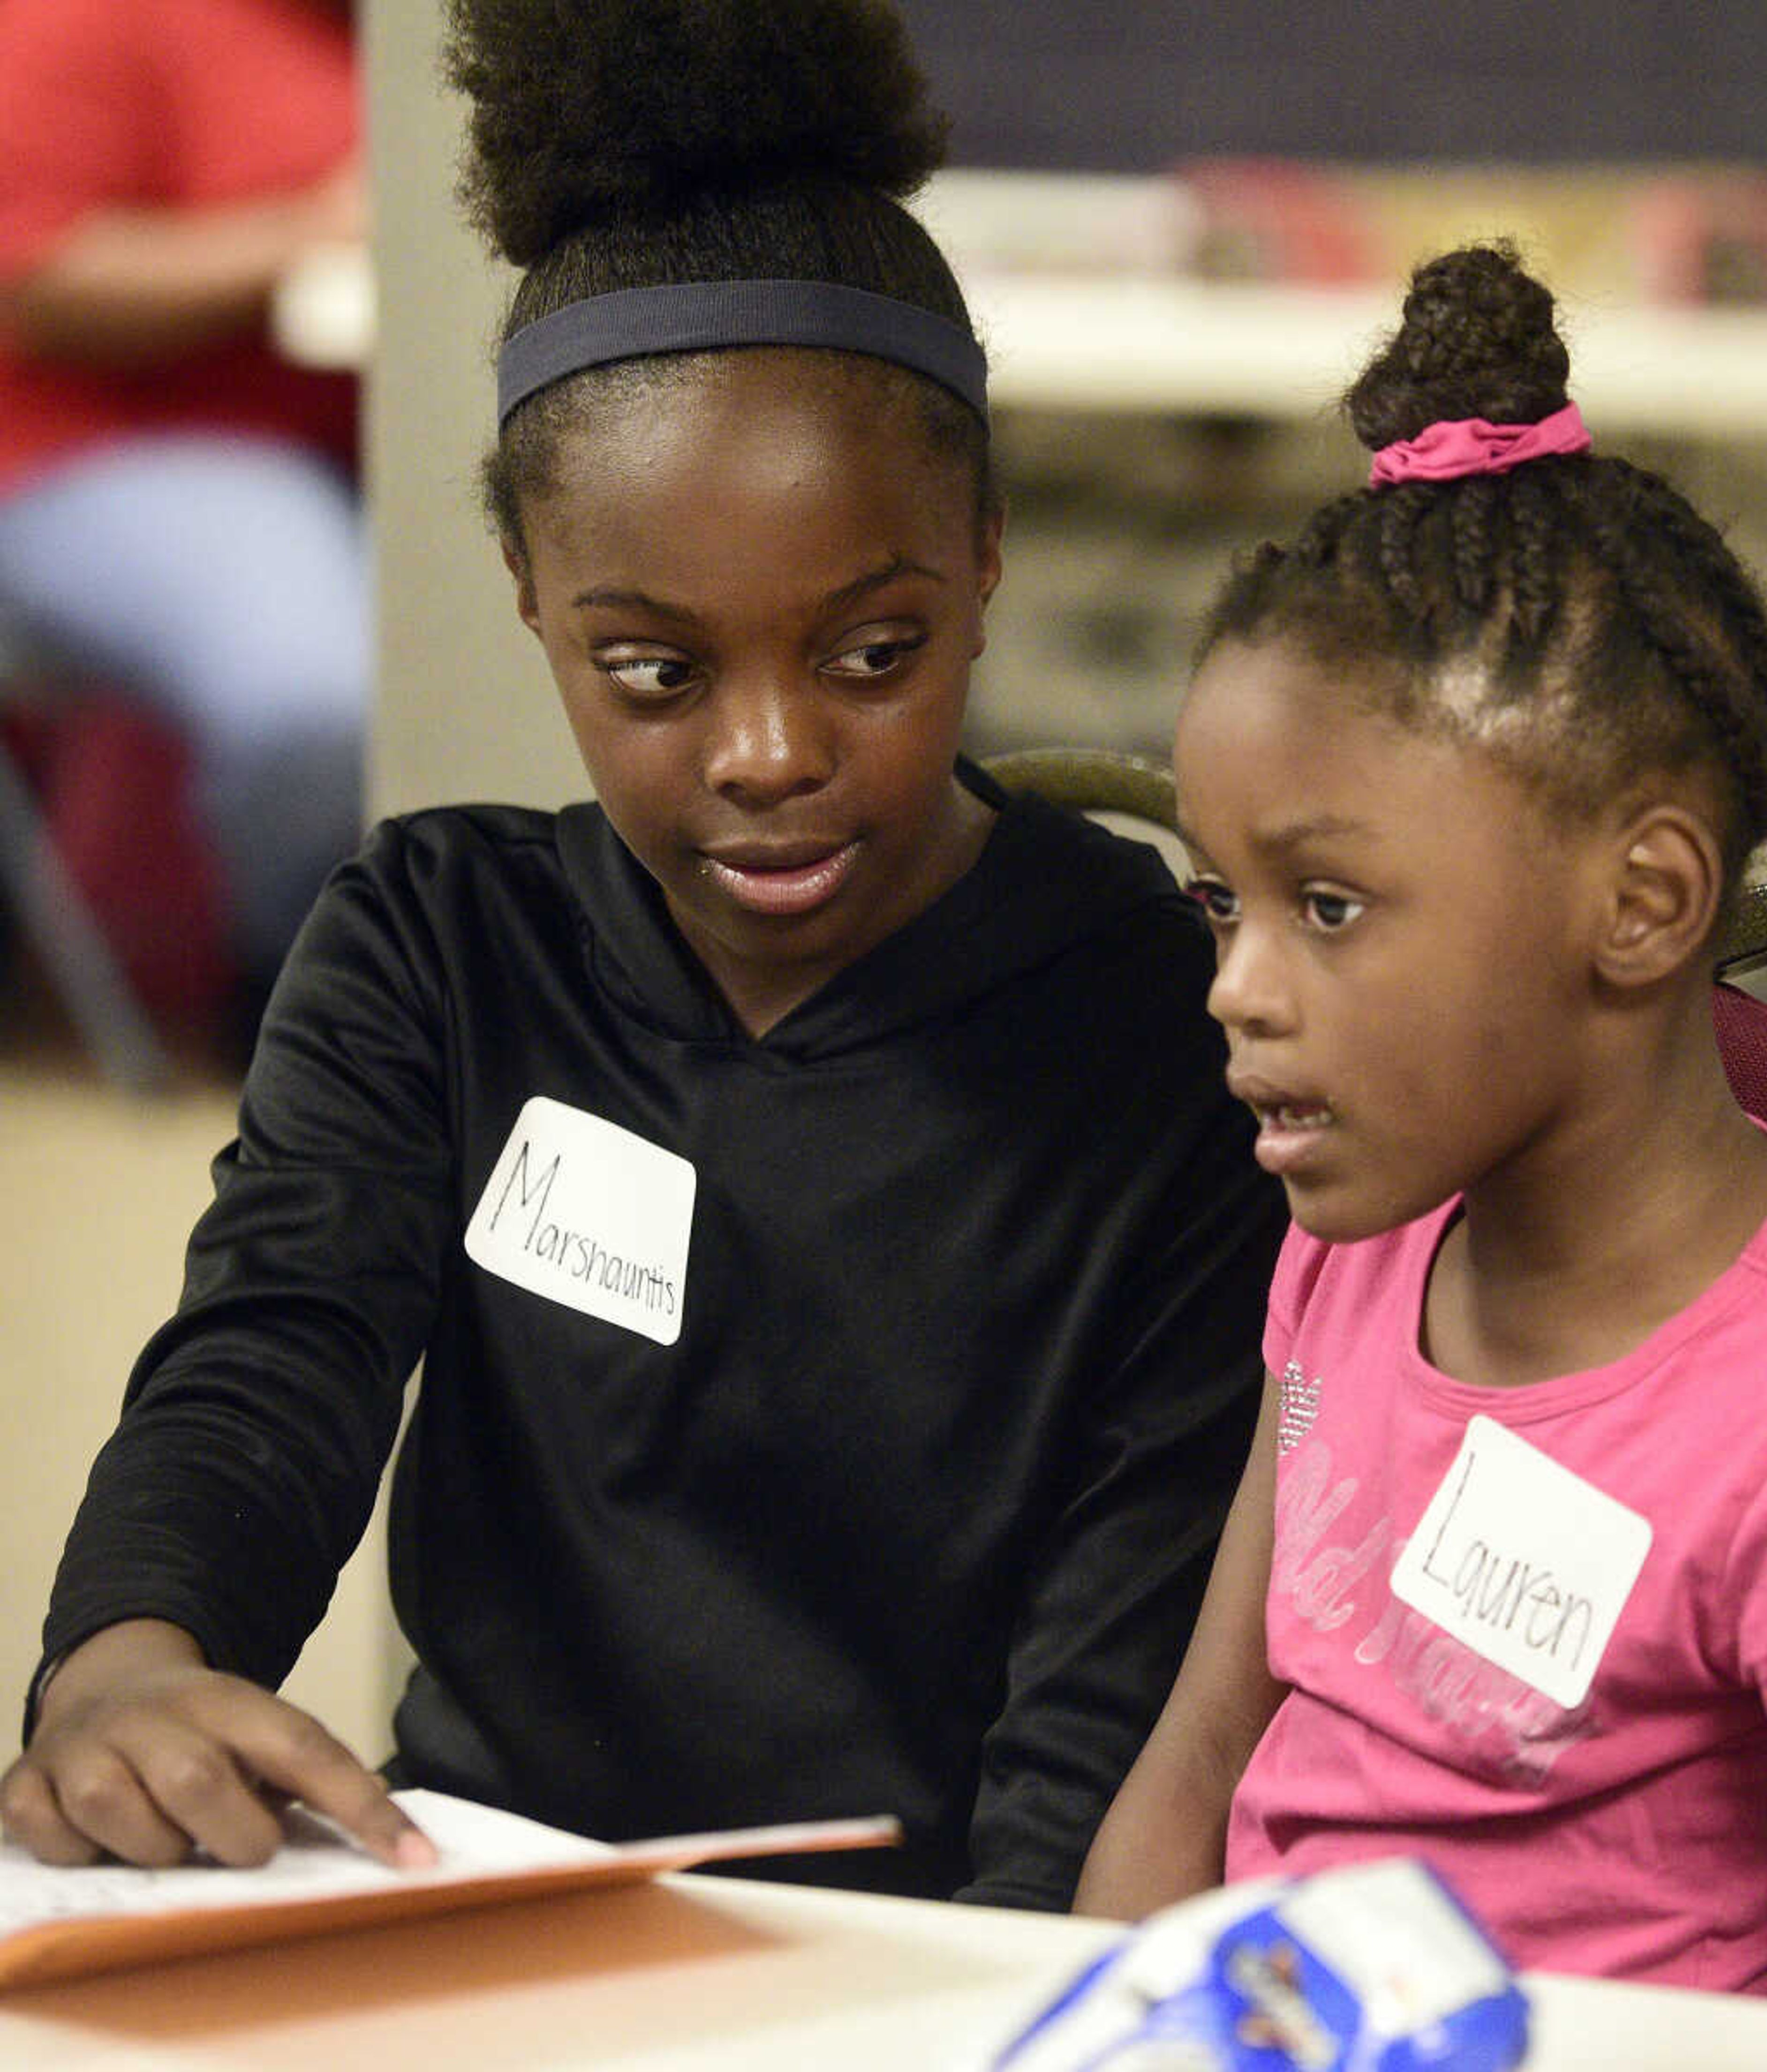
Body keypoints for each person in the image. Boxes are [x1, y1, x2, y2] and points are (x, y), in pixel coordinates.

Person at [0, 0, 1283, 1911]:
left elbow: (1123, 1655)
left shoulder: (1162, 1020)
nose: (770, 756)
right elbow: (277, 1354)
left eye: (873, 654)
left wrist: (993, 2007)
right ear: (530, 596)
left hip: (934, 1953)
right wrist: (131, 1655)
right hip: (485, 1901)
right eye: (657, 672)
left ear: (988, 552)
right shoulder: (440, 944)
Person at [1074, 243, 1767, 1993]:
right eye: (1217, 903)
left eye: (1325, 906)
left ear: (1641, 903)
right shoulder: (1354, 1252)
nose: (1237, 987)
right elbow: (1200, 1754)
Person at [0, 0, 366, 1008]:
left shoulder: (390, 33)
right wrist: (305, 234)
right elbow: (32, 273)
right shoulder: (94, 19)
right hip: (99, 448)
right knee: (321, 700)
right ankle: (311, 1026)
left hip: (369, 445)